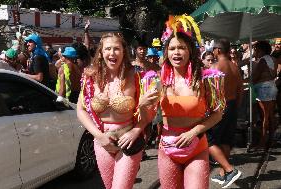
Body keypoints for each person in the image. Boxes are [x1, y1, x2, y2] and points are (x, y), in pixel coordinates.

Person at [77, 32, 159, 189]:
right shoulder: (90, 77)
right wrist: (99, 136)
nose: (112, 53)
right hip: (102, 143)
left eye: (116, 48)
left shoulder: (137, 76)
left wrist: (136, 131)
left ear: (123, 51)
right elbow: (81, 110)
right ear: (101, 52)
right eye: (108, 49)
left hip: (129, 141)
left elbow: (151, 113)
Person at [158, 14, 225, 189]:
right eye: (172, 48)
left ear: (190, 51)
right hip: (167, 150)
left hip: (196, 149)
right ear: (166, 52)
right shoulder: (157, 80)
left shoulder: (207, 79)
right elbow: (147, 117)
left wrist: (193, 132)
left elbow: (218, 113)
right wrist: (143, 106)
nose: (176, 52)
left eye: (182, 48)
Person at [207, 39, 243, 188]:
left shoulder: (215, 67)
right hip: (233, 105)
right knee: (226, 140)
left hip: (219, 107)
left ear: (218, 50)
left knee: (208, 140)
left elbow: (209, 93)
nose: (213, 52)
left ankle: (230, 170)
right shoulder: (235, 67)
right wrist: (235, 107)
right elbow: (240, 91)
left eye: (214, 49)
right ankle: (223, 174)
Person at [253, 41, 278, 148]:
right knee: (269, 116)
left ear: (261, 50)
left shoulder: (263, 61)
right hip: (272, 87)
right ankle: (271, 139)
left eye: (256, 50)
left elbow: (254, 77)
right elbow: (274, 75)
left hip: (264, 89)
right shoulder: (273, 59)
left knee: (265, 117)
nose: (255, 52)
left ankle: (263, 141)